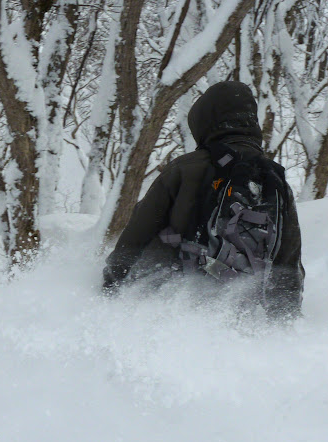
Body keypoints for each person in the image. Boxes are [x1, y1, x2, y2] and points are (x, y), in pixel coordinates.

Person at [102, 81, 304, 320]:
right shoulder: (275, 180)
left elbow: (138, 231)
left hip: (167, 298)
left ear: (204, 122)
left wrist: (110, 284)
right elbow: (288, 257)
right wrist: (285, 320)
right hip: (235, 307)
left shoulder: (185, 168)